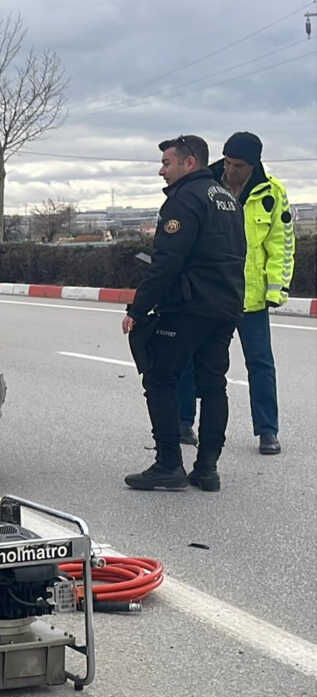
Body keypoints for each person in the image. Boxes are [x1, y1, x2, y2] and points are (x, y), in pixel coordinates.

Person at [122, 135, 245, 492]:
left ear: (189, 163)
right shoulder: (227, 199)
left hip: (188, 307)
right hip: (225, 306)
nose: (161, 171)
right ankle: (207, 469)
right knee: (213, 385)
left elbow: (167, 263)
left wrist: (139, 309)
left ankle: (168, 465)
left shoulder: (183, 200)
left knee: (160, 378)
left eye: (167, 163)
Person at [175, 132, 295, 458]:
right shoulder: (205, 186)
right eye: (226, 161)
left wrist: (277, 288)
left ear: (253, 165)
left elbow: (281, 245)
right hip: (209, 294)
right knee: (190, 357)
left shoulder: (272, 194)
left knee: (260, 364)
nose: (229, 169)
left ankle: (268, 431)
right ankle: (184, 422)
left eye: (237, 165)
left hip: (252, 298)